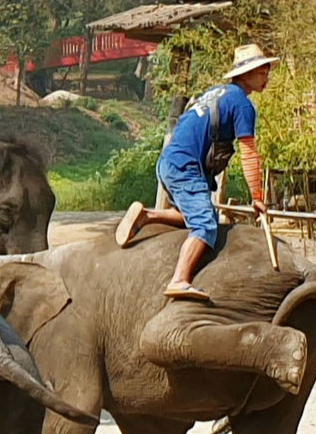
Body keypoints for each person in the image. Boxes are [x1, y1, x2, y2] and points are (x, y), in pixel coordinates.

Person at [115, 43, 277, 300]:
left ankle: (147, 216)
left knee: (191, 214)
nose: (266, 76)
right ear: (245, 74)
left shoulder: (216, 93)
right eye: (261, 71)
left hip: (168, 162)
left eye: (267, 71)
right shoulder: (243, 105)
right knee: (205, 225)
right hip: (186, 167)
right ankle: (179, 279)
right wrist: (257, 196)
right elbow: (249, 153)